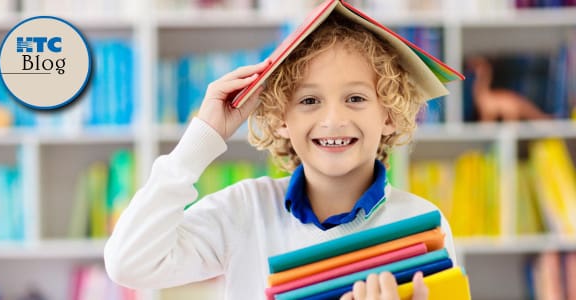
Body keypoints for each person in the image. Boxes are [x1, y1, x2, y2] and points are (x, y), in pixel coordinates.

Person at [104, 11, 458, 300]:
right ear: (279, 118)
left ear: (389, 116)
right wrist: (202, 139)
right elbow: (129, 263)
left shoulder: (423, 223)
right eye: (308, 101)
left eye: (356, 98)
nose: (333, 120)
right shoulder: (244, 210)